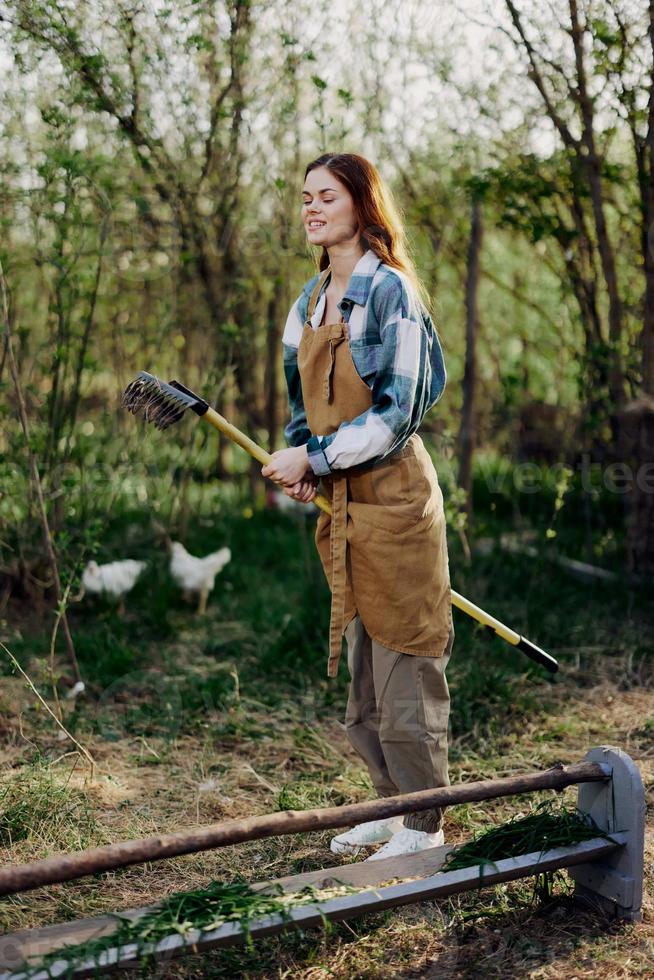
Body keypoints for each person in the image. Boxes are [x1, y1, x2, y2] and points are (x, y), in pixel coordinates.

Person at [261, 152, 454, 861]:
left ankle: (426, 824)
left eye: (327, 196)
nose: (311, 208)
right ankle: (390, 803)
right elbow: (299, 408)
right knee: (363, 662)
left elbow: (397, 414)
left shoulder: (391, 294)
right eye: (306, 198)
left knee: (408, 658)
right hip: (342, 502)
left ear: (363, 207)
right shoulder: (307, 303)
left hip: (396, 500)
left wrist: (313, 457)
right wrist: (302, 462)